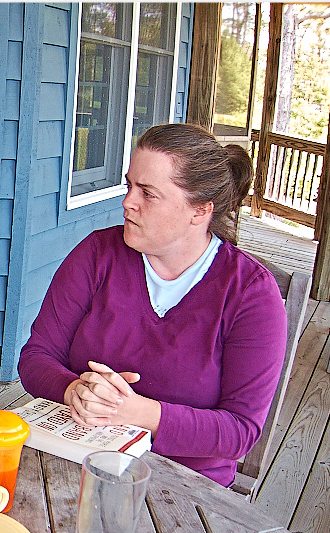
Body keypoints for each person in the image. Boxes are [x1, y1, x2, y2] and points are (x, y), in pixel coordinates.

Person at [18, 122, 287, 488]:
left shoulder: (249, 293)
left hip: (183, 488)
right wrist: (73, 390)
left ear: (200, 210)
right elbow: (37, 356)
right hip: (75, 459)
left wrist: (135, 412)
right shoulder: (97, 254)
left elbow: (239, 431)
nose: (128, 201)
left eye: (148, 193)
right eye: (130, 185)